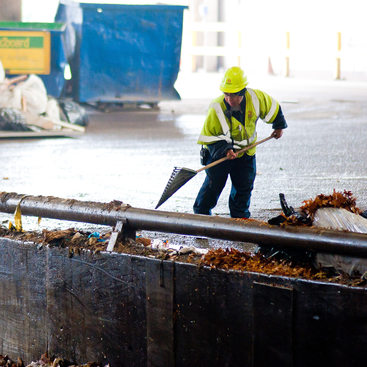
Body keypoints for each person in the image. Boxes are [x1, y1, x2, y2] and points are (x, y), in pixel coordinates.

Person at [193, 66, 287, 218]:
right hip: (220, 154)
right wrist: (226, 150)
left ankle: (240, 218)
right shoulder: (216, 107)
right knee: (213, 186)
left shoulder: (256, 99)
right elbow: (210, 136)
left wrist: (279, 126)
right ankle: (201, 216)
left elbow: (273, 108)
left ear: (243, 91)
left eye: (234, 95)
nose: (229, 99)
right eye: (226, 94)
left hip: (246, 152)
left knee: (244, 187)